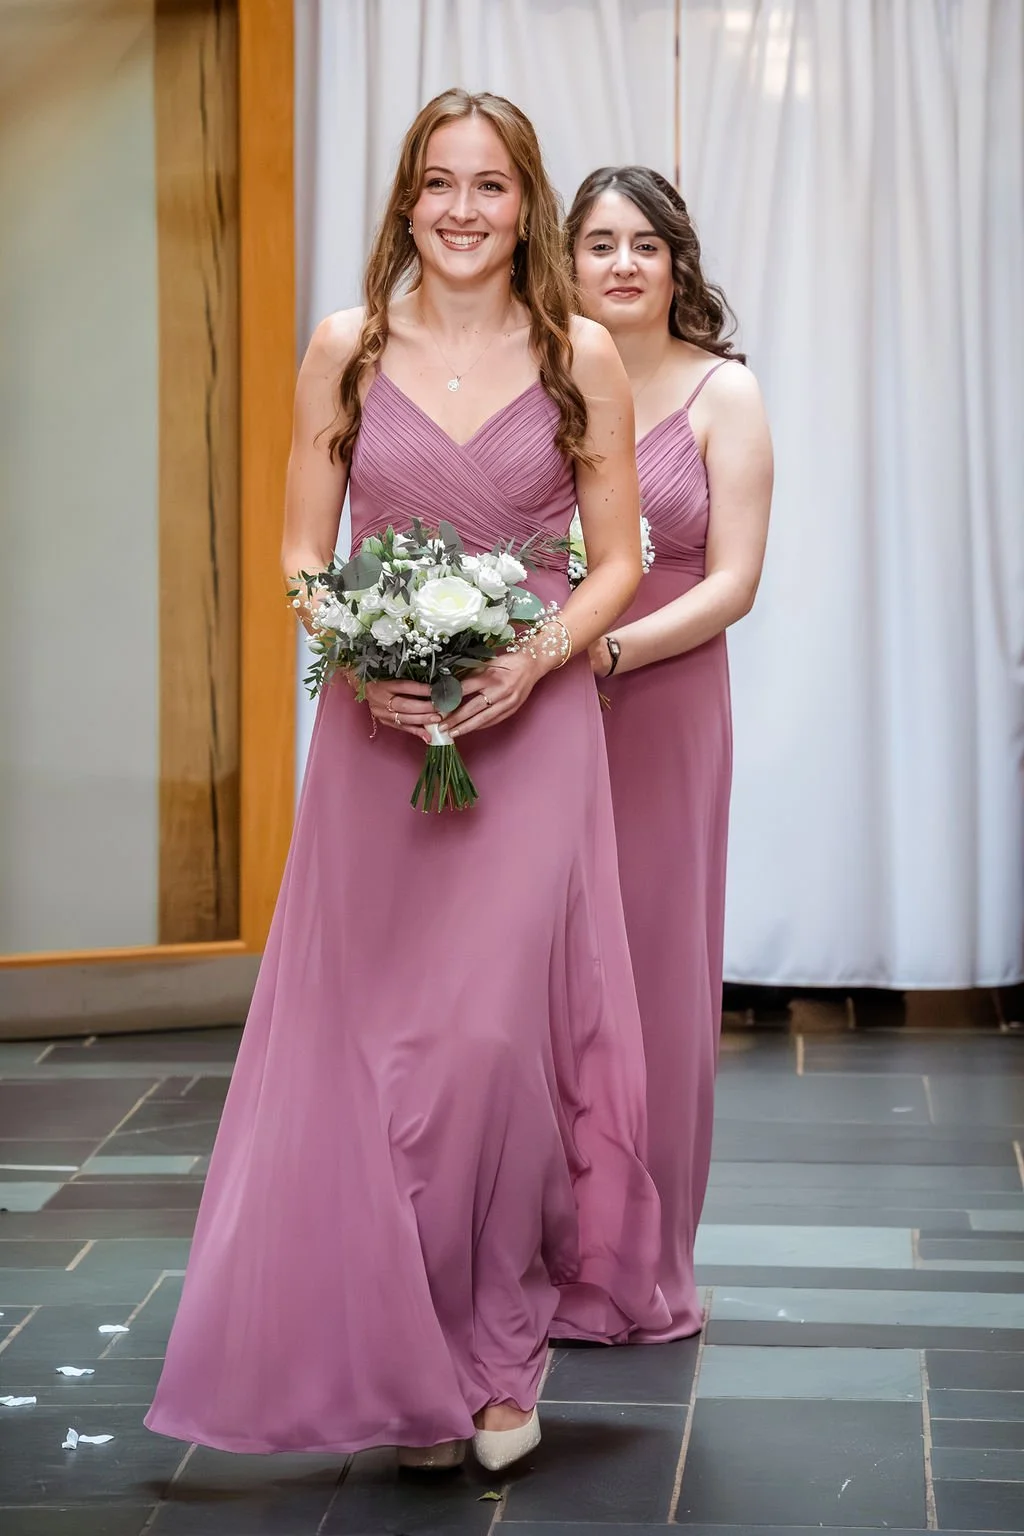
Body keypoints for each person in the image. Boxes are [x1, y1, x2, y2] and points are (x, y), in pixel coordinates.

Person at [146, 94, 669, 1471]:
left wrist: (540, 657)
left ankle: (499, 1350)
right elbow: (301, 553)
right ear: (405, 201)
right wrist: (354, 650)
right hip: (380, 741)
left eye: (490, 187)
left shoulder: (581, 357)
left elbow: (618, 557)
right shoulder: (347, 350)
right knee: (386, 1064)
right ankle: (413, 1362)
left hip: (531, 728)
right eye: (438, 184)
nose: (461, 210)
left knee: (495, 1049)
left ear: (525, 205)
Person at [563, 166, 772, 1341]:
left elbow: (735, 580)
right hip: (542, 700)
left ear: (678, 263)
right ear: (568, 260)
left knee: (650, 972)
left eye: (646, 244)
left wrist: (603, 654)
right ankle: (538, 1249)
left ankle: (639, 1263)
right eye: (598, 243)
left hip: (661, 698)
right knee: (549, 973)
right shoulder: (542, 382)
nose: (624, 263)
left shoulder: (720, 394)